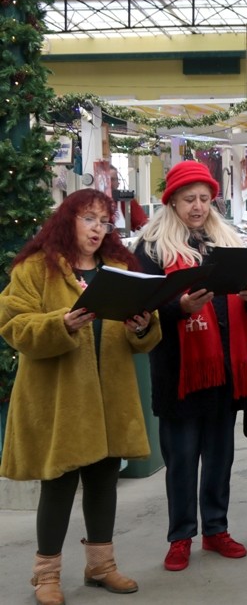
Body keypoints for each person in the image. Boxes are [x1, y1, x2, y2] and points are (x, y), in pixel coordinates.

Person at [0, 189, 161, 605]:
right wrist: (61, 323)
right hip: (60, 399)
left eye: (105, 221)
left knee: (104, 480)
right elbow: (14, 325)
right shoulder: (36, 268)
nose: (97, 229)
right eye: (89, 218)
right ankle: (46, 575)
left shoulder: (121, 267)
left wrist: (142, 325)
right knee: (59, 483)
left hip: (111, 396)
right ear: (67, 218)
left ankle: (101, 566)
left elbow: (146, 332)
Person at [134, 161, 247, 572]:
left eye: (205, 199)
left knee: (220, 457)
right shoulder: (151, 249)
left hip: (224, 368)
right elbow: (142, 307)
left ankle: (216, 529)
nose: (198, 206)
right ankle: (180, 537)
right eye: (189, 199)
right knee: (182, 458)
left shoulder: (226, 240)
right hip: (179, 371)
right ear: (171, 200)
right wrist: (179, 308)